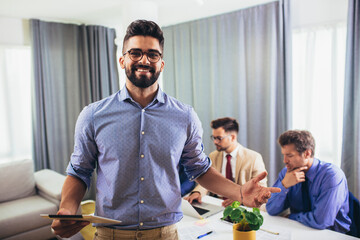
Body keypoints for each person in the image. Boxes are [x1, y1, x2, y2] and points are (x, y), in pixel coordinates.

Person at [51, 19, 280, 239]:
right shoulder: (92, 115)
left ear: (161, 63)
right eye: (135, 53)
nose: (144, 60)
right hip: (111, 234)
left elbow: (199, 169)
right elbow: (79, 172)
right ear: (122, 60)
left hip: (165, 234)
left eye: (153, 54)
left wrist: (240, 193)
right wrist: (67, 209)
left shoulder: (185, 116)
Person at [266, 130, 351, 233]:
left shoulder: (332, 176)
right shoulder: (287, 173)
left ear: (307, 153)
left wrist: (292, 217)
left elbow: (321, 221)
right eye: (284, 155)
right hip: (300, 229)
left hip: (332, 233)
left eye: (290, 156)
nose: (285, 161)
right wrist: (284, 185)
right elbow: (271, 209)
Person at [185, 117, 267, 207]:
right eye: (214, 138)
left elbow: (260, 189)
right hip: (219, 205)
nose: (215, 142)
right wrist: (197, 192)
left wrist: (240, 198)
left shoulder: (254, 158)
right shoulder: (213, 156)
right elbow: (209, 181)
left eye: (219, 138)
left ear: (232, 137)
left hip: (242, 207)